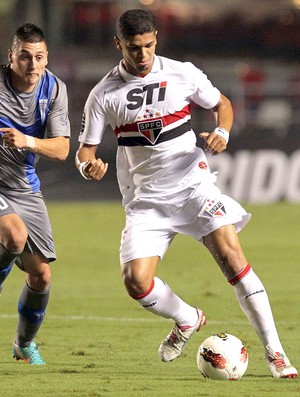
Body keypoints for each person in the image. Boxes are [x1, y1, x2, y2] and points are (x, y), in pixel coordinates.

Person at [76, 9, 297, 378]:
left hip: (193, 188)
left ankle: (276, 354)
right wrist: (87, 166)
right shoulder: (103, 95)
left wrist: (222, 133)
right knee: (135, 283)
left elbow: (221, 104)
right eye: (134, 48)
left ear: (156, 39)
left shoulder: (183, 72)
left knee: (233, 259)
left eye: (148, 46)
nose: (142, 55)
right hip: (146, 201)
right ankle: (187, 317)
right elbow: (86, 149)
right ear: (119, 45)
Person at [0, 22, 70, 364]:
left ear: (46, 58)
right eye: (24, 57)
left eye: (39, 57)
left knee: (41, 275)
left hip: (24, 187)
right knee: (14, 236)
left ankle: (23, 345)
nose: (32, 65)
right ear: (11, 56)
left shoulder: (54, 89)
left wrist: (26, 140)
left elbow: (61, 150)